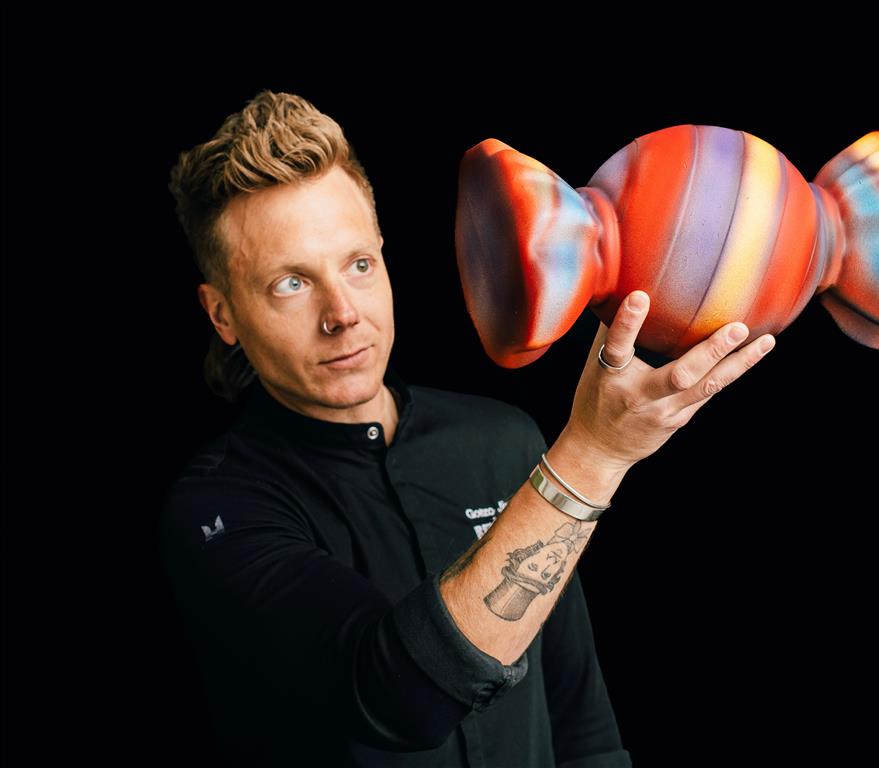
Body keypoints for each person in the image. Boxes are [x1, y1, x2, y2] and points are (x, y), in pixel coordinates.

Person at [159, 90, 776, 767]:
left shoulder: (503, 441)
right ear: (222, 315)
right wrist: (593, 454)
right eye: (291, 284)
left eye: (359, 265)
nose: (343, 314)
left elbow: (582, 727)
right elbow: (399, 698)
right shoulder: (218, 508)